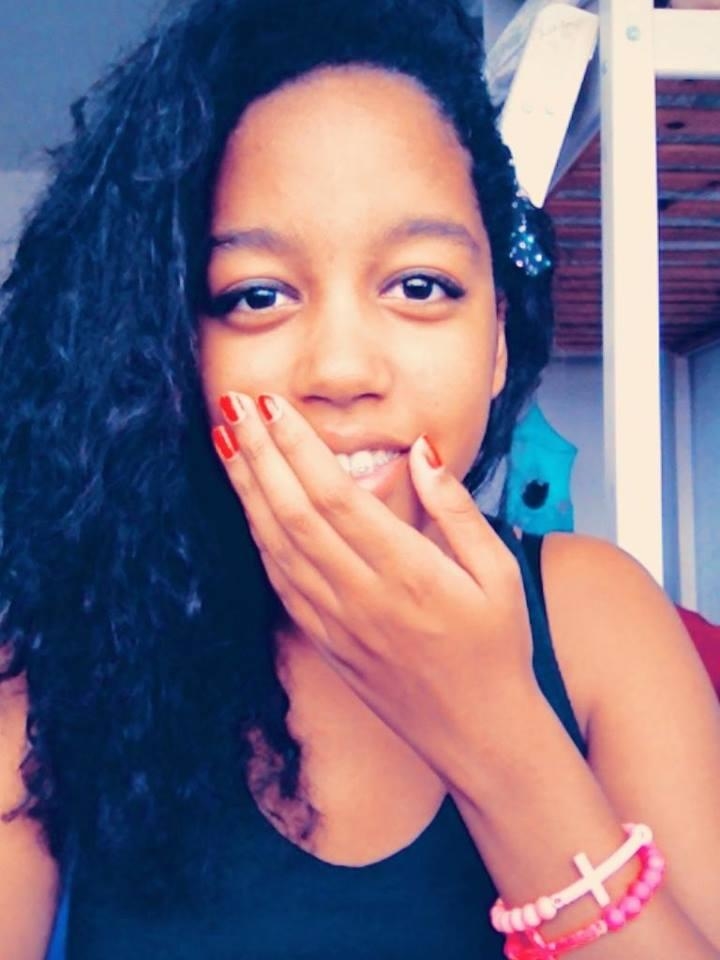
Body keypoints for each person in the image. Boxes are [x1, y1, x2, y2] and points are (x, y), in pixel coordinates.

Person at [0, 1, 718, 957]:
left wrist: (491, 728)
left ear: (498, 342)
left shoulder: (599, 619)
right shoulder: (62, 662)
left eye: (420, 286)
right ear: (167, 349)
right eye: (258, 295)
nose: (341, 370)